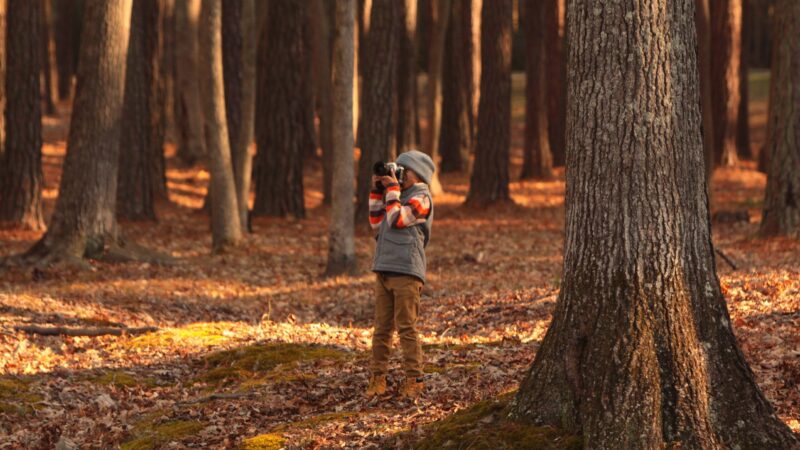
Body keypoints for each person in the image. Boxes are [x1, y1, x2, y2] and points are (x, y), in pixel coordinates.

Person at [365, 150, 435, 398]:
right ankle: (377, 377)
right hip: (384, 268)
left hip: (407, 271)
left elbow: (397, 219)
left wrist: (392, 189)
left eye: (403, 171)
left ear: (417, 175)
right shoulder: (394, 196)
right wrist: (377, 191)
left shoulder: (421, 198)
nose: (398, 175)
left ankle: (414, 378)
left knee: (406, 327)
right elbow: (376, 224)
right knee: (382, 328)